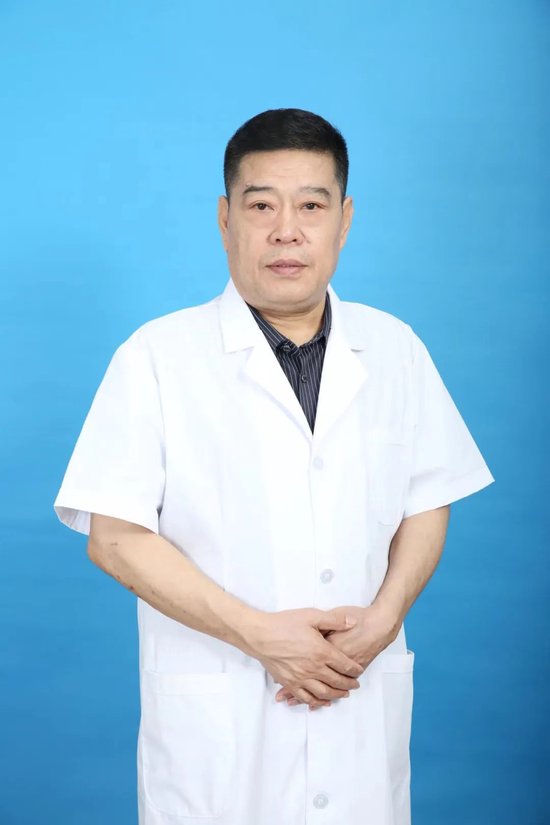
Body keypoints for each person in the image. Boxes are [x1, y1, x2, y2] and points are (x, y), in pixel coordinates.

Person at [54, 108, 494, 825]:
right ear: (225, 218)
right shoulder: (157, 357)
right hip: (221, 736)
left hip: (358, 715)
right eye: (261, 206)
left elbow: (428, 500)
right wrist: (259, 634)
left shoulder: (396, 349)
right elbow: (115, 538)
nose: (287, 230)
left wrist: (385, 619)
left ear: (344, 220)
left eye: (311, 206)